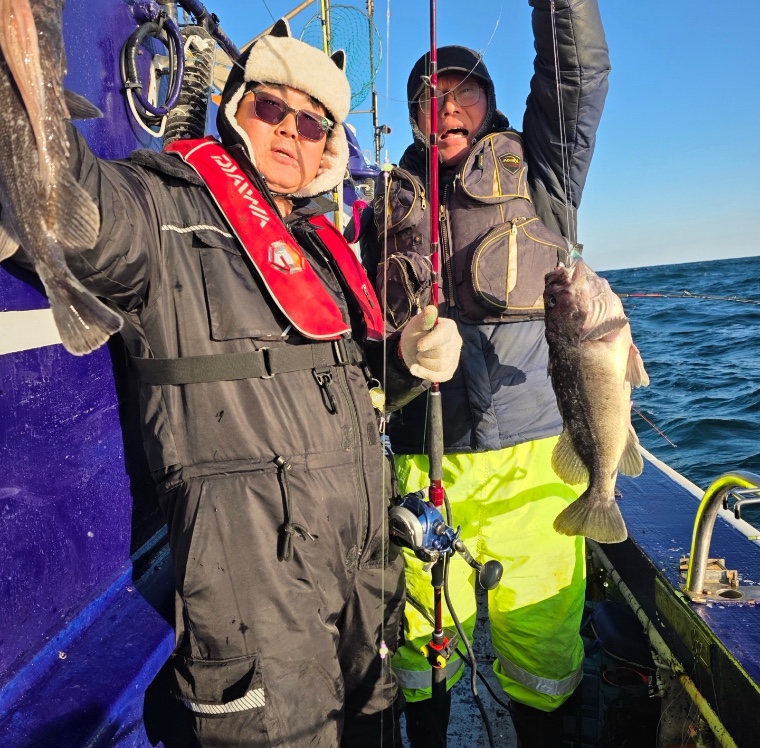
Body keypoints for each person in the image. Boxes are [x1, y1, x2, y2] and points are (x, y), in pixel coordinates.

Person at [15, 19, 462, 748]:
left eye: (313, 123)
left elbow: (359, 375)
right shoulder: (163, 209)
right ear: (235, 107)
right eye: (272, 107)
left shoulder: (324, 249)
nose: (291, 130)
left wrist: (409, 351)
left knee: (377, 727)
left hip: (364, 571)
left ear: (329, 148)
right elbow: (72, 208)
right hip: (256, 593)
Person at [360, 1, 610, 746]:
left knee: (543, 648)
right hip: (421, 465)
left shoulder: (543, 172)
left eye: (462, 92)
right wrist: (399, 353)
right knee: (420, 646)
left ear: (491, 101)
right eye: (425, 99)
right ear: (411, 118)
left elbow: (578, 72)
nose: (444, 109)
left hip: (537, 465)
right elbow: (355, 334)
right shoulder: (381, 210)